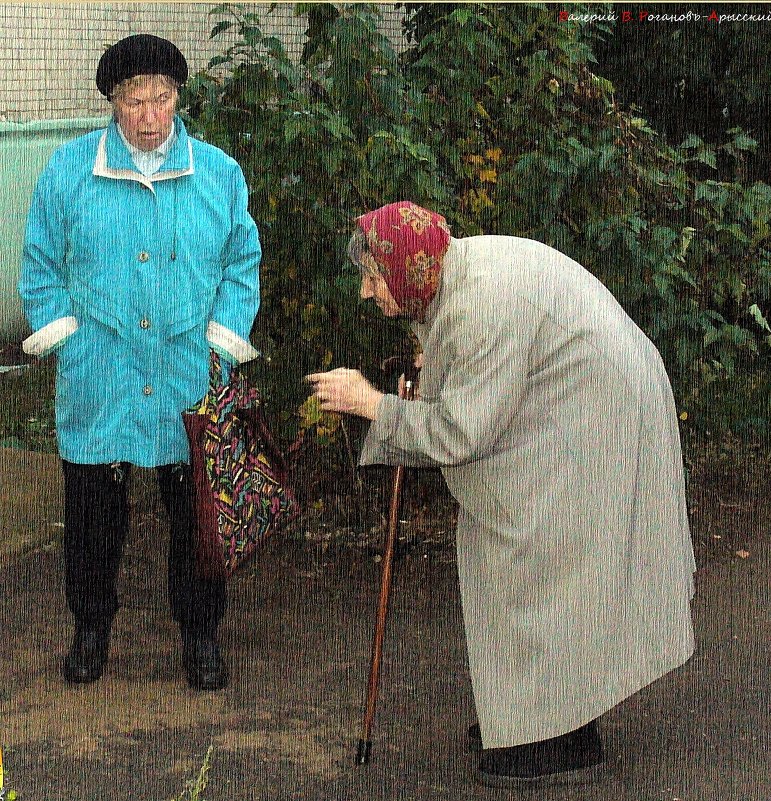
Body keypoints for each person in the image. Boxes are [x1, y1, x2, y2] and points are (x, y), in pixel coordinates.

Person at [306, 201, 696, 786]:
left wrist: (371, 404)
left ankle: (552, 737)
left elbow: (460, 433)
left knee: (538, 553)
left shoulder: (479, 307)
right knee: (532, 559)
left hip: (600, 412)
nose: (366, 292)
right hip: (572, 400)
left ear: (410, 270)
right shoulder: (450, 276)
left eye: (373, 276)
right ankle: (535, 719)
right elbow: (461, 375)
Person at [18, 34, 261, 691]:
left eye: (163, 99)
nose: (151, 117)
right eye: (135, 102)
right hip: (101, 371)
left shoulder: (218, 173)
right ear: (112, 104)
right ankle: (91, 628)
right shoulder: (69, 170)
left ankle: (201, 632)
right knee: (95, 518)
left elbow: (242, 264)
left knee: (197, 519)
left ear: (179, 98)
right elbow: (39, 264)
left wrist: (222, 344)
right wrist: (68, 338)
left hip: (190, 371)